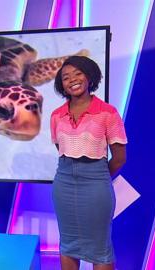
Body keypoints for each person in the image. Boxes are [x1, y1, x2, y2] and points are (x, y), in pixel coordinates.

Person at [50, 56, 127, 270]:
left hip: (95, 184)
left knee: (99, 248)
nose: (72, 80)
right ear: (61, 84)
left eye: (78, 73)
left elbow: (120, 158)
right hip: (63, 183)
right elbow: (62, 150)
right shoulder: (56, 116)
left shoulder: (108, 113)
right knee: (68, 244)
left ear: (89, 76)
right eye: (66, 77)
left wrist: (98, 177)